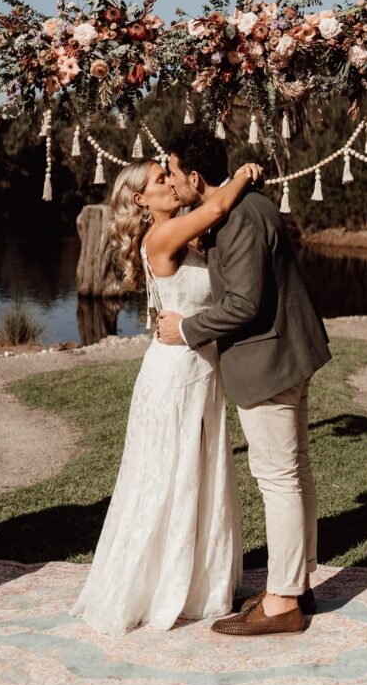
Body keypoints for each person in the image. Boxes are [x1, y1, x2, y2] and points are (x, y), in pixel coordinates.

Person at [71, 155, 262, 636]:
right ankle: (156, 583)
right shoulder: (161, 237)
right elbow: (217, 208)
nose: (169, 184)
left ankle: (200, 581)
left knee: (198, 470)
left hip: (201, 368)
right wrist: (241, 174)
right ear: (141, 200)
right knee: (166, 474)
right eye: (160, 180)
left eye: (166, 176)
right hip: (174, 373)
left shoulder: (185, 231)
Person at [157, 129, 331, 637]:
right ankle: (293, 584)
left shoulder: (236, 222)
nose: (168, 179)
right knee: (294, 469)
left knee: (278, 477)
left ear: (195, 177)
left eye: (171, 171)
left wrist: (186, 329)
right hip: (287, 355)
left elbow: (244, 304)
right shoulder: (248, 205)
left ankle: (282, 604)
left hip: (269, 363)